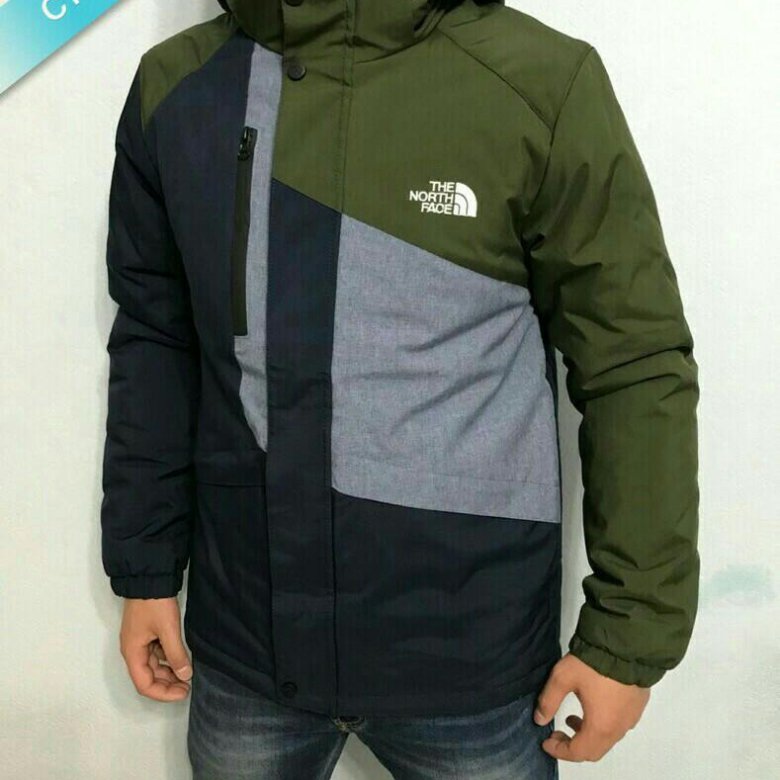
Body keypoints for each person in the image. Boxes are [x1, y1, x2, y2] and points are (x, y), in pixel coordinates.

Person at [100, 1, 700, 777]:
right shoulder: (176, 87)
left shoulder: (540, 83)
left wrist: (628, 636)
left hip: (472, 662)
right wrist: (146, 568)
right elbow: (157, 340)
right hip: (246, 648)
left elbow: (632, 361)